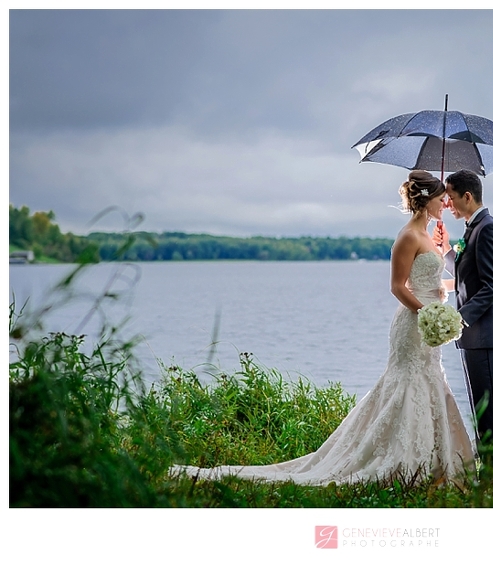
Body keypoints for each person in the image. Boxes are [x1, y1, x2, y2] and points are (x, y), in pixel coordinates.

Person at [170, 170, 475, 486]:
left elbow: (432, 284)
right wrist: (427, 312)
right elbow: (398, 286)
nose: (445, 204)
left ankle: (434, 461)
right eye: (441, 199)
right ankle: (399, 458)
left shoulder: (431, 236)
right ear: (426, 201)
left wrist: (448, 270)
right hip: (413, 325)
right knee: (408, 381)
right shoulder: (408, 236)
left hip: (428, 324)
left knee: (429, 380)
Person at [433, 169, 493, 482]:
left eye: (450, 197)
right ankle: (490, 472)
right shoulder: (473, 228)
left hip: (487, 333)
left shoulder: (489, 229)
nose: (447, 204)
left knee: (489, 408)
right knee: (481, 406)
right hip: (475, 335)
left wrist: (459, 317)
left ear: (467, 196)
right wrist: (446, 251)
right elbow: (469, 275)